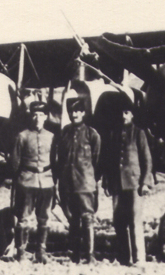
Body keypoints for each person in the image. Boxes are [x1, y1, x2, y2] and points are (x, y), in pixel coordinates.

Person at [4, 100, 55, 263]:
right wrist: (16, 180)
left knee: (43, 219)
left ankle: (41, 251)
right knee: (24, 219)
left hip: (46, 182)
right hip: (27, 181)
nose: (37, 118)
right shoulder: (23, 136)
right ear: (31, 116)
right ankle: (21, 252)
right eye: (34, 114)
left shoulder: (51, 137)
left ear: (46, 117)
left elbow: (56, 161)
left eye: (41, 115)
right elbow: (15, 162)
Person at [103, 100, 153, 265]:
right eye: (121, 113)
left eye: (126, 112)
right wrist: (107, 182)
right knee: (118, 221)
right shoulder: (113, 134)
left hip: (134, 184)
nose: (123, 116)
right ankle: (124, 257)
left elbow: (147, 160)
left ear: (132, 115)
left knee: (134, 221)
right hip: (117, 184)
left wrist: (145, 182)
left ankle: (139, 258)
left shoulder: (139, 134)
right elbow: (109, 161)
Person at [52, 97, 101, 263]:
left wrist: (91, 180)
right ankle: (75, 255)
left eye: (78, 111)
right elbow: (59, 159)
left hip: (85, 184)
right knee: (73, 219)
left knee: (87, 218)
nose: (75, 114)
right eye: (72, 111)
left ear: (83, 113)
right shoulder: (65, 133)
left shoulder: (92, 134)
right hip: (67, 184)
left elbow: (97, 161)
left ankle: (90, 255)